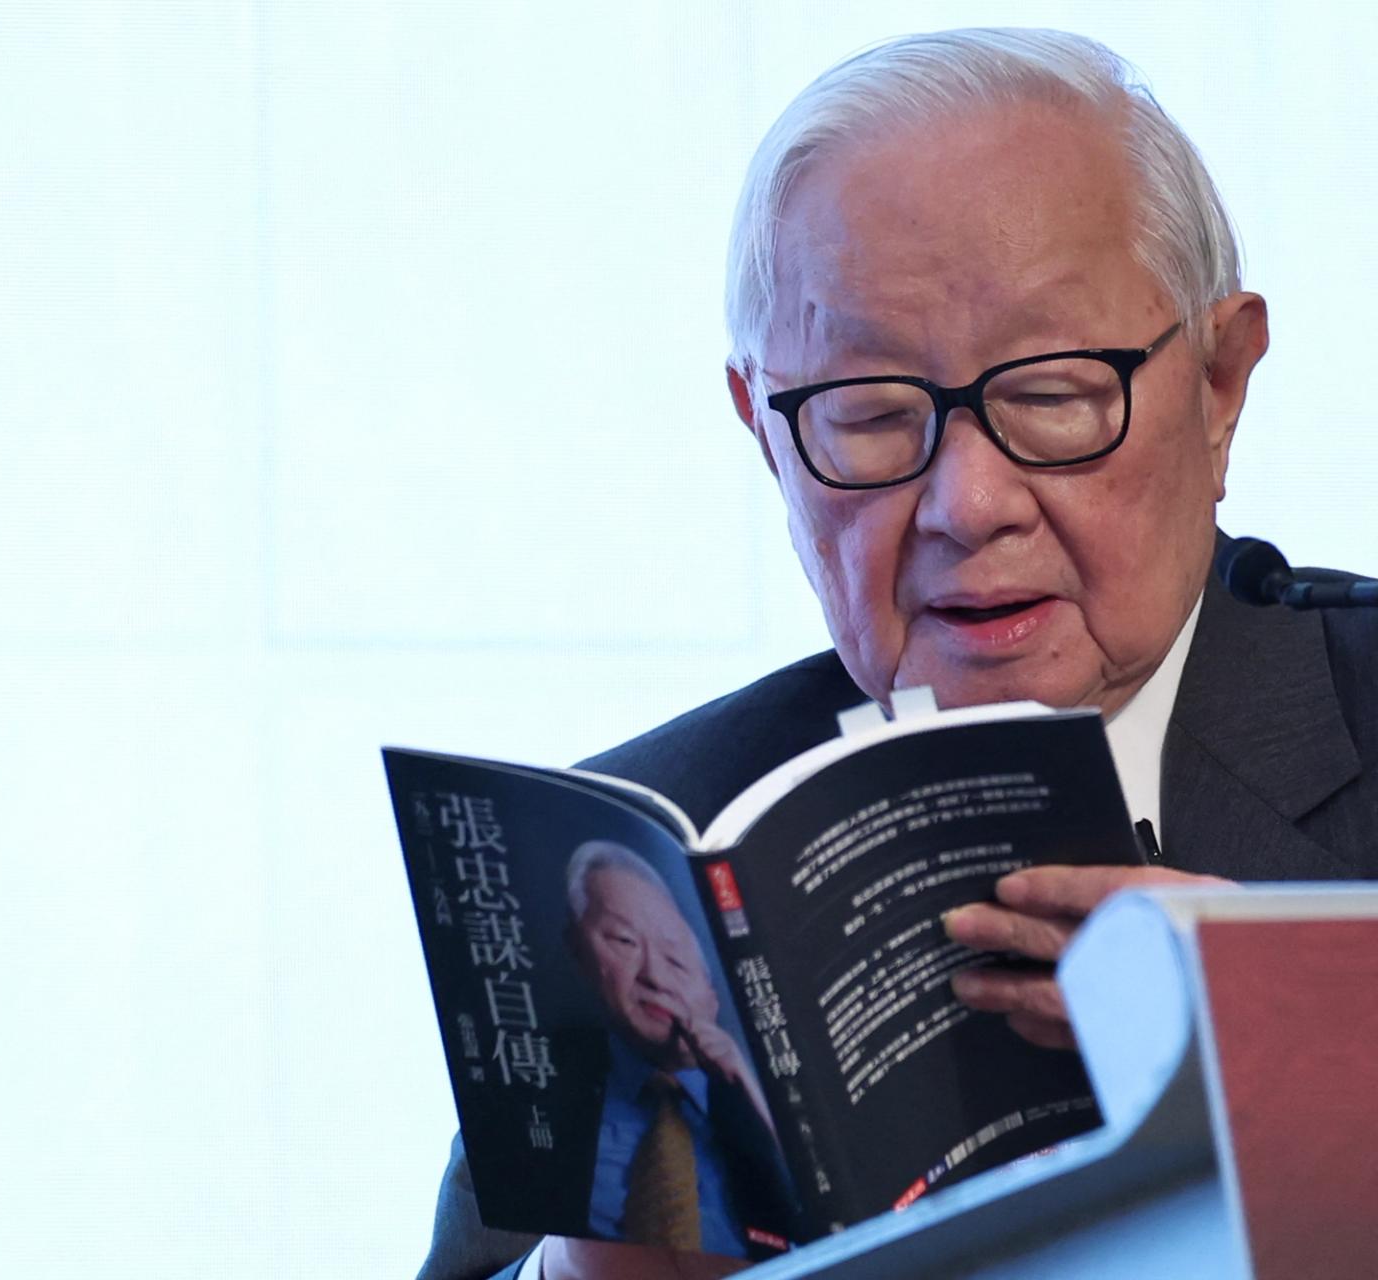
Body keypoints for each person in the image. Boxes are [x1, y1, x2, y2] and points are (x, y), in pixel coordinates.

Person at [417, 26, 1378, 1280]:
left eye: (1051, 392)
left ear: (1219, 380)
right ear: (766, 434)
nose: (967, 502)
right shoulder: (639, 850)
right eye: (870, 416)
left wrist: (1307, 1057)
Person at [557, 841, 798, 1258]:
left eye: (677, 961)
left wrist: (756, 1103)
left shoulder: (780, 1098)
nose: (653, 975)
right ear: (577, 948)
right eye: (624, 940)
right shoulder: (529, 1091)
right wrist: (551, 1268)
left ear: (712, 995)